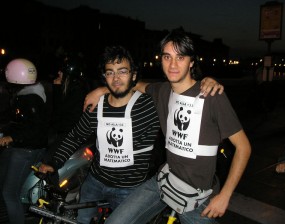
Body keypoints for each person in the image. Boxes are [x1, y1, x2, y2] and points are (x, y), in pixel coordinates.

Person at [84, 29, 251, 224]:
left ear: (191, 62)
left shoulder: (212, 95)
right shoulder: (162, 91)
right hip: (164, 181)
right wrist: (103, 89)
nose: (172, 64)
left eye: (180, 57)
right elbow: (135, 85)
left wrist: (225, 196)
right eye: (167, 57)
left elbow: (244, 147)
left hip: (197, 197)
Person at [38, 45, 161, 223]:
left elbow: (173, 90)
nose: (116, 78)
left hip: (129, 189)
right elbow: (76, 136)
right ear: (104, 77)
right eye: (110, 72)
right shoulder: (98, 106)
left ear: (134, 75)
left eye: (122, 71)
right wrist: (54, 162)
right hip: (95, 182)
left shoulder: (149, 106)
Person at [0, 58, 48, 224]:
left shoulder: (30, 98)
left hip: (26, 150)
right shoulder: (29, 93)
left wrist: (11, 137)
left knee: (10, 193)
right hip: (22, 147)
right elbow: (18, 121)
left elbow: (36, 128)